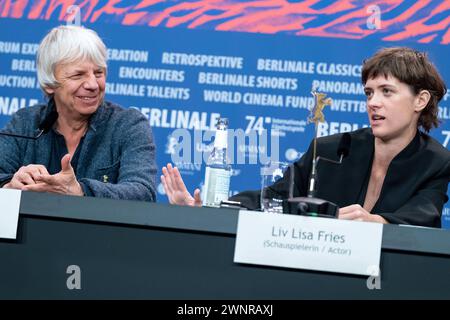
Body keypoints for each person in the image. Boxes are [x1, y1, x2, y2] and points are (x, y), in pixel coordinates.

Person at [161, 47, 450, 227]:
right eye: (369, 93)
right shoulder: (330, 149)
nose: (373, 102)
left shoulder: (435, 162)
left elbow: (424, 215)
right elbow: (273, 199)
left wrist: (377, 221)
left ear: (420, 100)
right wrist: (209, 211)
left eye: (387, 91)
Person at [0, 25, 157, 201]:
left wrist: (81, 190)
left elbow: (143, 193)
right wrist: (10, 186)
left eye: (98, 73)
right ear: (49, 84)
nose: (93, 84)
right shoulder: (25, 122)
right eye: (78, 75)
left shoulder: (128, 125)